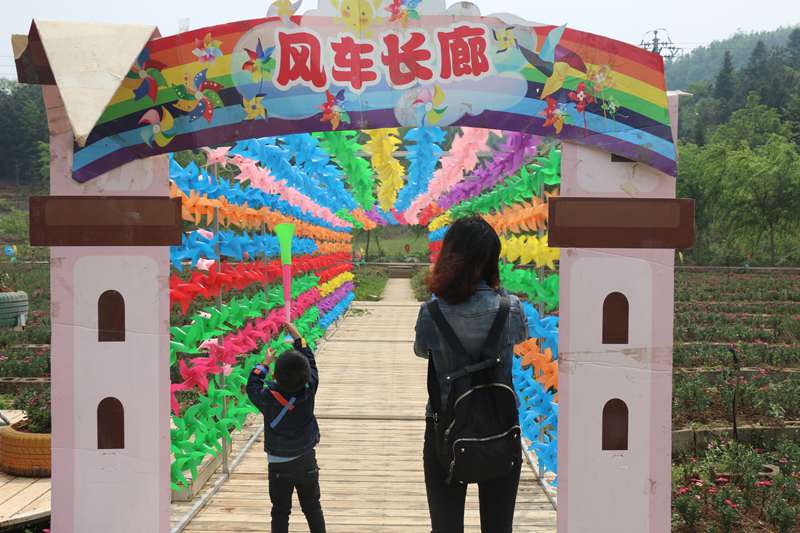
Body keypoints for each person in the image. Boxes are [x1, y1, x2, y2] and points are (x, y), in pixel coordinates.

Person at [414, 217, 529, 533]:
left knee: (446, 527)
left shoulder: (431, 313)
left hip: (446, 430)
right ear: (491, 259)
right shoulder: (510, 308)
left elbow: (422, 351)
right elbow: (520, 336)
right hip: (500, 427)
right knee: (499, 527)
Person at [246, 322, 326, 533]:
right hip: (306, 458)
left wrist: (264, 364)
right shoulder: (310, 388)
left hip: (279, 464)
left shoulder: (268, 398)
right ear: (306, 375)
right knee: (312, 507)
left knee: (280, 511)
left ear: (275, 375)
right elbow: (310, 361)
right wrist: (298, 338)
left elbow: (252, 386)